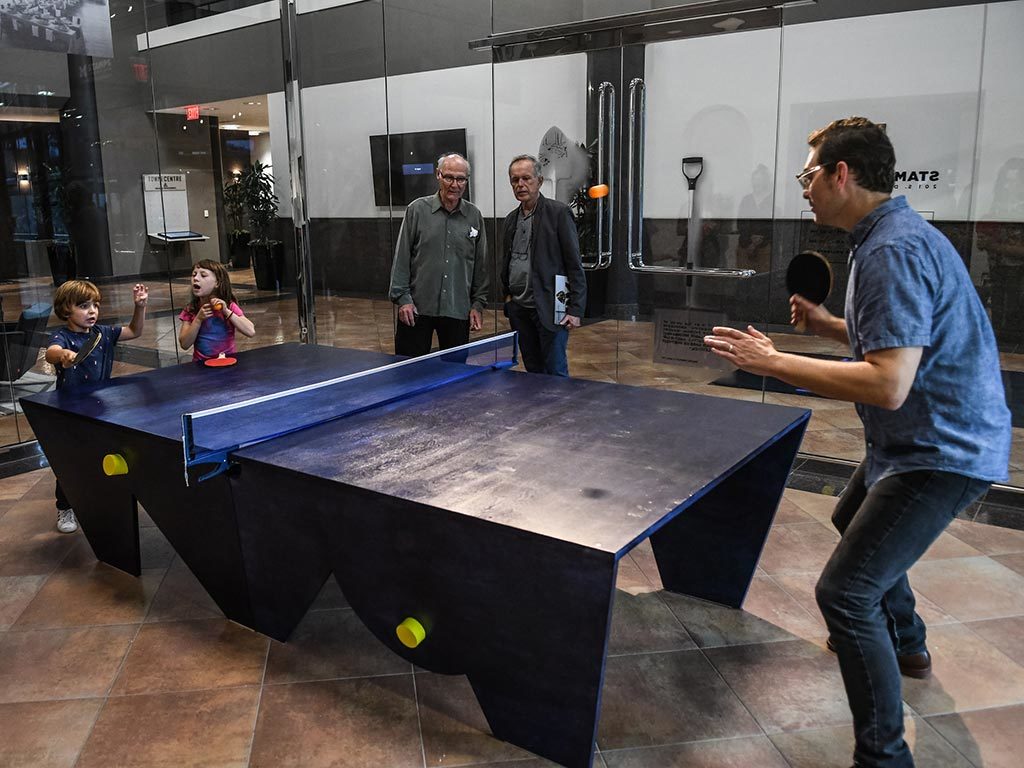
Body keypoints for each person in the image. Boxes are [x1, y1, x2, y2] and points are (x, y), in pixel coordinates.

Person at [704, 117, 1010, 768]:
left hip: (941, 447)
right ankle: (905, 641)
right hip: (922, 438)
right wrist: (825, 324)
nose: (805, 189)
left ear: (843, 174)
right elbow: (901, 340)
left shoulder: (890, 249)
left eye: (809, 176)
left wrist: (775, 361)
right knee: (849, 515)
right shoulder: (893, 236)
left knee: (844, 593)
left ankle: (884, 755)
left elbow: (889, 381)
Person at [45, 279, 149, 533]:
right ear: (66, 309)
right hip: (71, 410)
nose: (92, 310)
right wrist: (64, 356)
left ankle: (101, 502)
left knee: (104, 456)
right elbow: (51, 352)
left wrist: (140, 307)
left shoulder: (103, 333)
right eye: (83, 306)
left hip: (102, 407)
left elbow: (134, 331)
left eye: (95, 305)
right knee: (70, 460)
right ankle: (65, 507)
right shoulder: (63, 337)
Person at [388, 152, 488, 357]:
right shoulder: (416, 210)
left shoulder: (474, 216)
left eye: (461, 179)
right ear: (438, 175)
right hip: (416, 309)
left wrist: (478, 304)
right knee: (409, 373)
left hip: (457, 309)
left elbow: (480, 266)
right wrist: (403, 299)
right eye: (449, 177)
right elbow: (402, 258)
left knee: (453, 376)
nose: (455, 184)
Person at [501, 154, 586, 376]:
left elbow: (574, 263)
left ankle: (559, 411)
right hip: (520, 309)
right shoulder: (511, 219)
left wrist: (575, 309)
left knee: (555, 370)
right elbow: (506, 262)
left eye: (526, 178)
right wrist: (508, 299)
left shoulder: (558, 213)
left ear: (539, 181)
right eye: (515, 180)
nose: (520, 184)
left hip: (550, 306)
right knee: (532, 369)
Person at [179, 259, 256, 362]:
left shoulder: (229, 306)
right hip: (201, 365)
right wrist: (198, 319)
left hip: (227, 362)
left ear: (217, 283)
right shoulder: (191, 310)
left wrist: (227, 312)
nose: (196, 278)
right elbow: (184, 344)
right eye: (194, 275)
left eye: (203, 275)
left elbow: (250, 331)